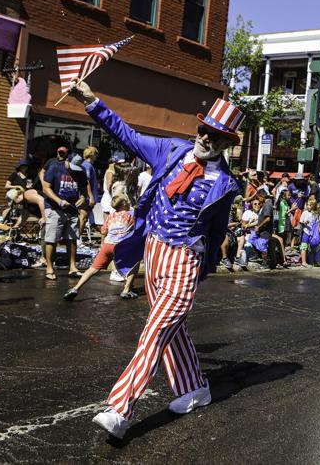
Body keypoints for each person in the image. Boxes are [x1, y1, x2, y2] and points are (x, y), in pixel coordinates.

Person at [69, 79, 242, 439]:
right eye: (203, 129)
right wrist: (91, 100)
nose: (205, 138)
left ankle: (120, 409)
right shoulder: (171, 151)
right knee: (170, 331)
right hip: (154, 253)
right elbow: (126, 135)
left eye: (214, 135)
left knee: (153, 333)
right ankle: (195, 388)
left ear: (227, 143)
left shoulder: (225, 184)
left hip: (184, 262)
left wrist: (201, 271)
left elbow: (217, 232)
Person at [63, 194, 138, 301]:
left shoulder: (110, 216)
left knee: (93, 268)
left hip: (107, 245)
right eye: (127, 200)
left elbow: (103, 231)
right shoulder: (131, 214)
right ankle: (127, 290)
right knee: (134, 263)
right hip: (121, 246)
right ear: (125, 204)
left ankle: (75, 288)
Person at [41, 152, 88, 280]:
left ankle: (72, 267)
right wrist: (58, 201)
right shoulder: (55, 168)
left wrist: (83, 198)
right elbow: (46, 188)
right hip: (55, 208)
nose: (73, 170)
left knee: (72, 239)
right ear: (66, 160)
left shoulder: (80, 172)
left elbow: (84, 191)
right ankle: (49, 268)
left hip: (72, 209)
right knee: (52, 238)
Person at [5, 159, 47, 224]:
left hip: (26, 197)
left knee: (25, 211)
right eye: (23, 166)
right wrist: (18, 187)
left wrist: (30, 188)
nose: (24, 167)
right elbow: (6, 186)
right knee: (10, 212)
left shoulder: (29, 176)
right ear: (19, 166)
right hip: (16, 196)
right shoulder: (15, 175)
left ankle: (16, 228)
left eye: (26, 166)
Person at [79, 147, 99, 242]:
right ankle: (77, 240)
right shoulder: (87, 166)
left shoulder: (88, 165)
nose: (96, 157)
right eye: (96, 154)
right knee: (83, 217)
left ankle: (78, 239)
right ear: (92, 155)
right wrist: (91, 196)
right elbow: (86, 181)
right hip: (86, 196)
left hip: (88, 196)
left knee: (85, 218)